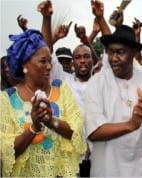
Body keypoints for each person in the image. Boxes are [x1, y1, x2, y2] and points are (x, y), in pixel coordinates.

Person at [84, 25, 142, 177]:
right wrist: (131, 125)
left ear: (134, 53)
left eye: (120, 52)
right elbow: (94, 132)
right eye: (110, 52)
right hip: (106, 171)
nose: (114, 58)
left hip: (139, 171)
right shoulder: (97, 83)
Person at [0, 29, 86, 177]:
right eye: (43, 61)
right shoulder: (7, 99)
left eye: (49, 61)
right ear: (24, 65)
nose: (49, 66)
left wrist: (51, 121)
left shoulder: (61, 89)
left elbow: (76, 132)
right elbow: (6, 151)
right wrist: (34, 127)